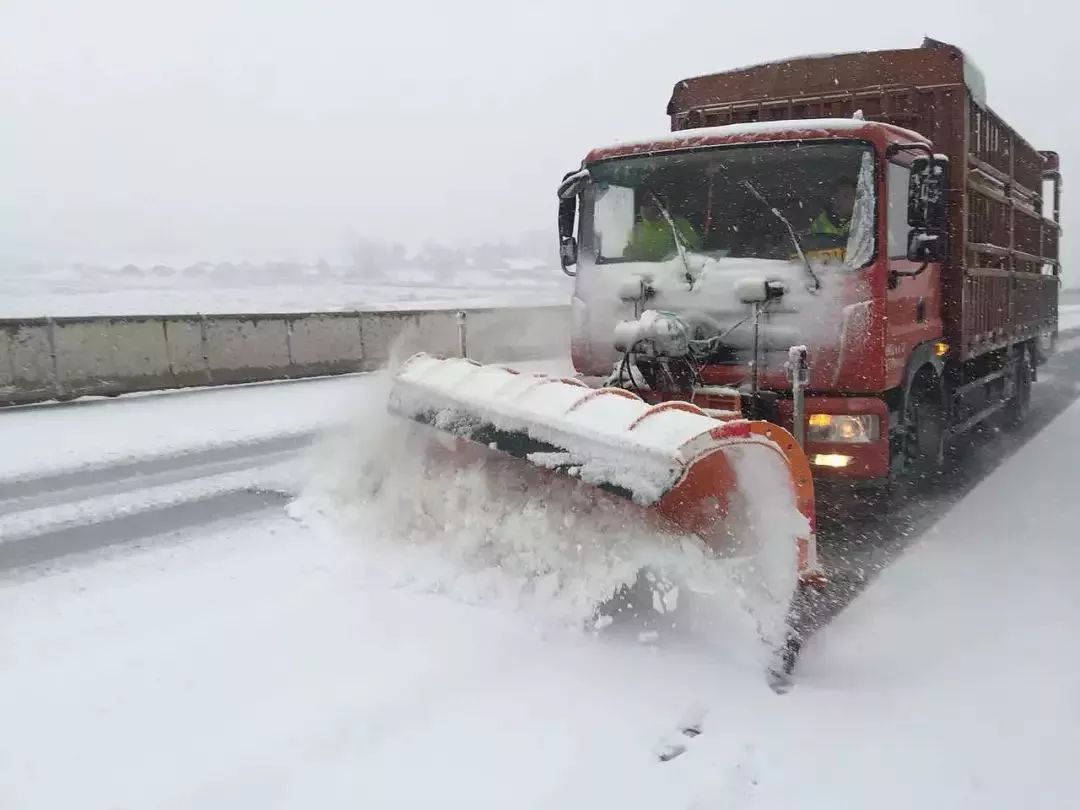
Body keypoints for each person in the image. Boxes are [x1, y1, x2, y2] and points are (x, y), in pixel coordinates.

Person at [623, 195, 702, 262]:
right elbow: (630, 258)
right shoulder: (636, 230)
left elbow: (694, 252)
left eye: (657, 203)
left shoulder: (678, 224)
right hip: (642, 276)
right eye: (647, 203)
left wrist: (673, 257)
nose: (651, 207)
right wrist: (629, 254)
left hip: (674, 275)